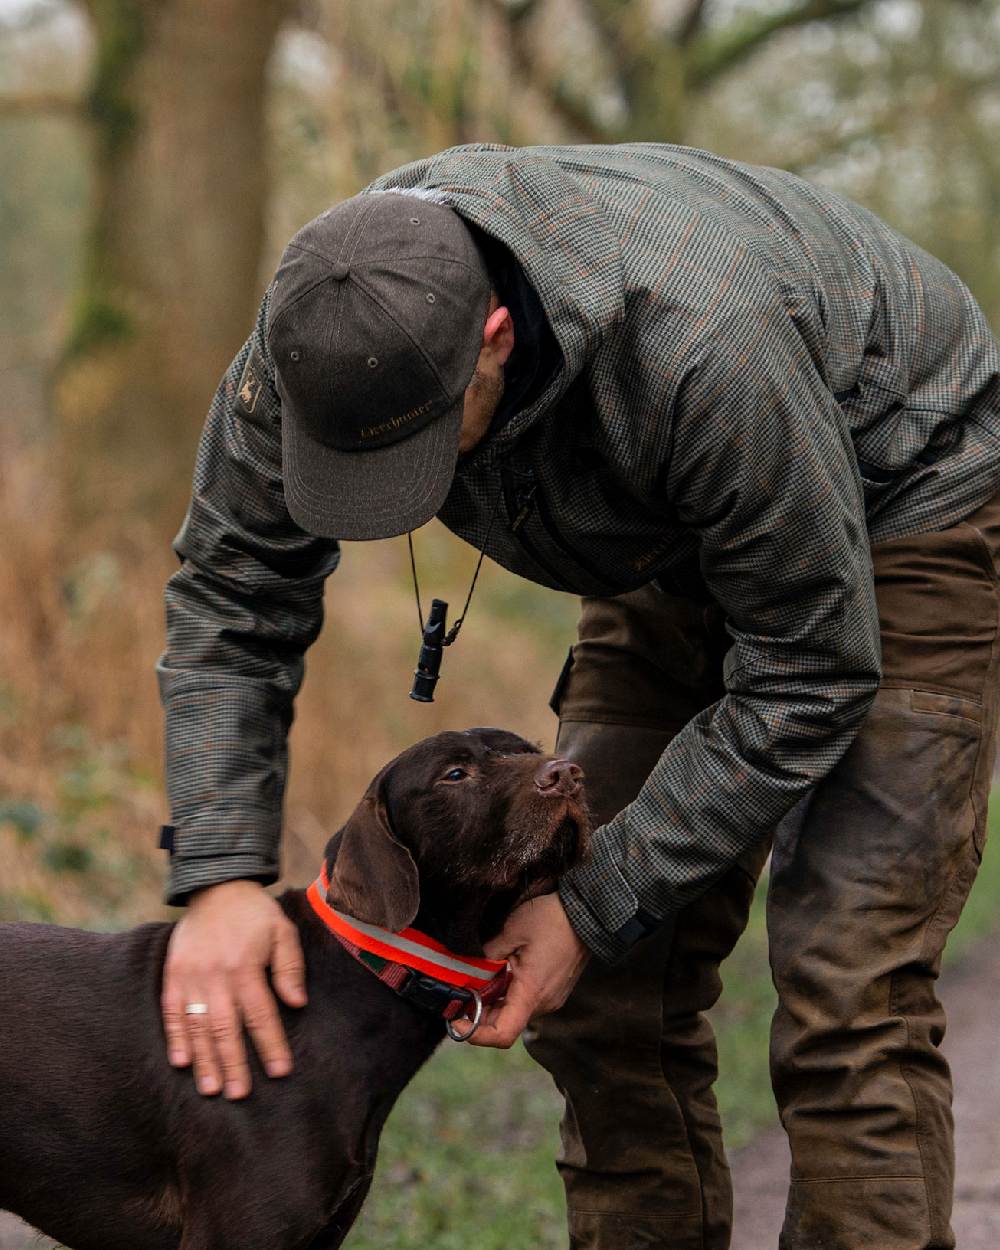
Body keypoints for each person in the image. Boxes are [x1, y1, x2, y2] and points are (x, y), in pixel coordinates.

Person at [157, 142, 1000, 1250]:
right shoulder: (327, 330)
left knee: (850, 987)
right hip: (662, 535)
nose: (392, 489)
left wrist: (597, 901)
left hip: (905, 501)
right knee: (592, 984)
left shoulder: (700, 341)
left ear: (492, 337)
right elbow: (232, 587)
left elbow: (807, 664)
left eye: (419, 446)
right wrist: (219, 876)